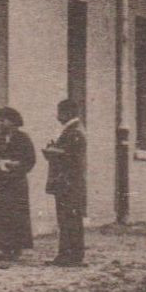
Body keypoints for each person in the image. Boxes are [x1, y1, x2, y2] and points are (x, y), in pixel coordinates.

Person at [0, 106, 36, 263]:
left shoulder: (23, 139)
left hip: (16, 183)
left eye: (2, 121)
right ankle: (4, 248)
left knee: (16, 214)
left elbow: (30, 160)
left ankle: (17, 248)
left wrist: (16, 165)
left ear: (12, 122)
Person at [43, 98, 88, 267]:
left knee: (69, 219)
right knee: (68, 219)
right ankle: (70, 254)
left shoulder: (74, 131)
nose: (57, 116)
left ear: (67, 113)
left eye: (59, 112)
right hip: (70, 182)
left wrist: (53, 152)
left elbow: (70, 157)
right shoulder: (73, 130)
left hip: (68, 183)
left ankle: (70, 255)